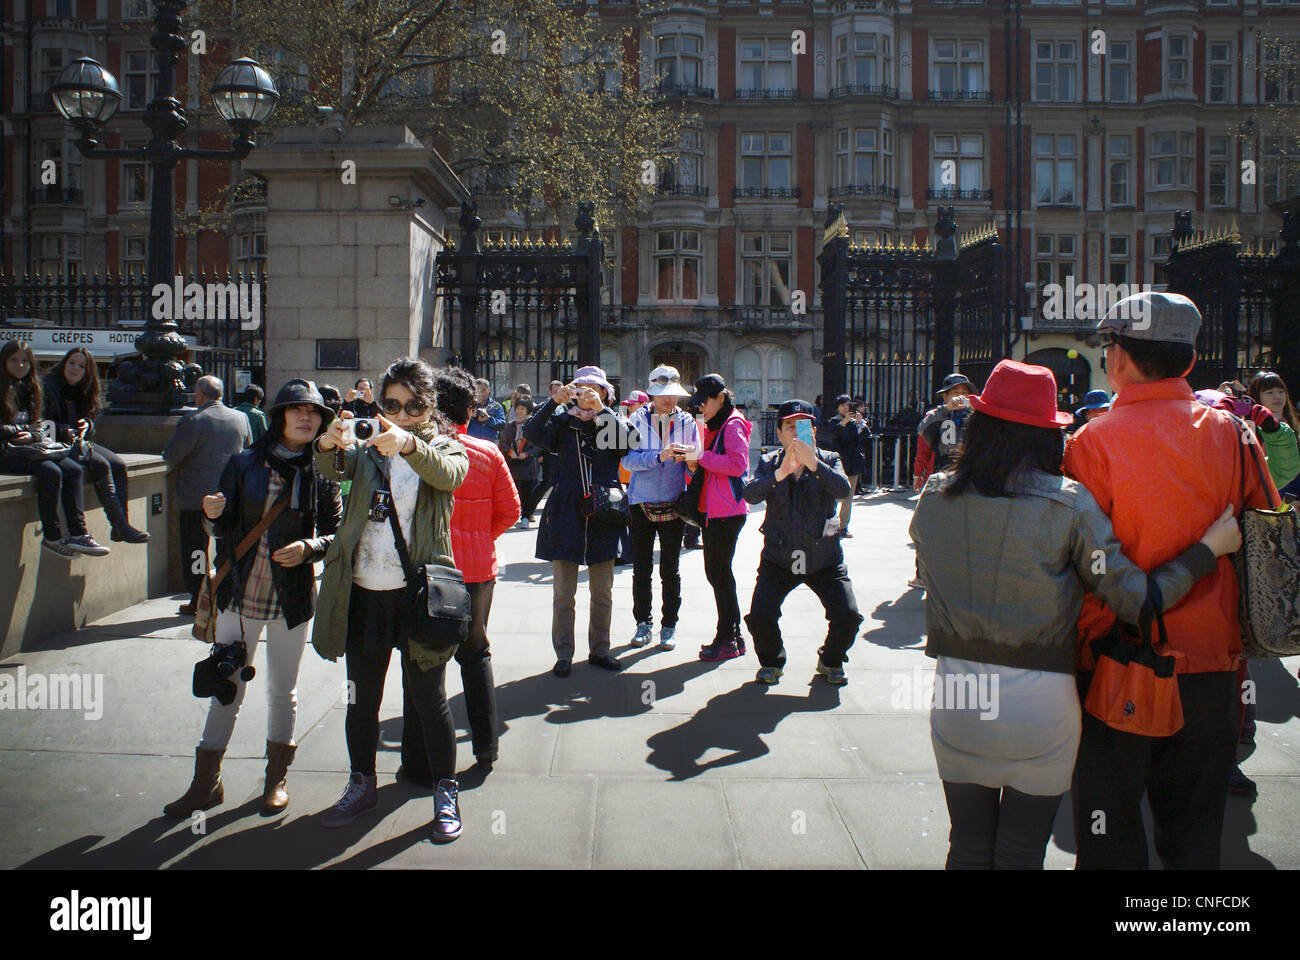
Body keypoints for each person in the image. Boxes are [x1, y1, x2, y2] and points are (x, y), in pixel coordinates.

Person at [910, 357, 1241, 869]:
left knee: (969, 845)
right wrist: (1206, 550)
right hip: (1041, 698)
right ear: (1048, 435)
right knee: (1021, 849)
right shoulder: (1069, 503)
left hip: (956, 689)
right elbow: (1138, 600)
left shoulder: (935, 496)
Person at [1064, 292, 1279, 869]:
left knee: (1109, 839)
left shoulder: (1092, 441)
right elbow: (1266, 538)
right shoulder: (1236, 435)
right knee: (1195, 838)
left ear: (1119, 359)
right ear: (1186, 360)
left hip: (1118, 665)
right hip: (1212, 666)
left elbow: (1085, 567)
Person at [163, 379, 342, 820]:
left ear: (323, 421)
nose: (306, 417)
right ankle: (206, 784)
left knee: (283, 690)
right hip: (239, 593)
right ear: (279, 416)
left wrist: (311, 549)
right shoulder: (243, 463)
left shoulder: (327, 470)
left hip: (292, 595)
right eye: (296, 409)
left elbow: (339, 535)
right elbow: (220, 533)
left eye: (314, 412)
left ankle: (276, 780)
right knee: (226, 687)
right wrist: (211, 517)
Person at [312, 357, 469, 841]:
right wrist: (328, 442)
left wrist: (408, 445)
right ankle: (362, 783)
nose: (401, 414)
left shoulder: (443, 445)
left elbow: (449, 475)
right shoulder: (366, 448)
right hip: (363, 591)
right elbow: (325, 466)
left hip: (417, 594)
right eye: (392, 405)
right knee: (362, 699)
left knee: (428, 699)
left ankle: (445, 790)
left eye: (413, 405)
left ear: (429, 406)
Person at [401, 365, 519, 775]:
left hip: (429, 573)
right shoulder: (487, 452)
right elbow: (512, 510)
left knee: (422, 664)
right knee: (476, 653)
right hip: (476, 572)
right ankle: (485, 748)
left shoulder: (417, 452)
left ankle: (417, 763)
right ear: (469, 410)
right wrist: (481, 537)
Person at [524, 365, 638, 676]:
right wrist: (551, 402)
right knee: (563, 593)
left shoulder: (612, 422)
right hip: (566, 511)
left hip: (604, 512)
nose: (587, 394)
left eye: (595, 389)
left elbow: (628, 444)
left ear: (605, 393)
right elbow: (531, 433)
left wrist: (601, 412)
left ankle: (600, 650)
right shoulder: (562, 422)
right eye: (581, 388)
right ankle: (564, 654)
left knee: (602, 592)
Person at [742, 400, 864, 685]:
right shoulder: (770, 462)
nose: (796, 434)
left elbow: (844, 489)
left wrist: (814, 465)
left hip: (823, 557)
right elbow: (750, 494)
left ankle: (831, 660)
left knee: (847, 616)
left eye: (803, 427)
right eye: (790, 427)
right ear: (780, 432)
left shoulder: (830, 459)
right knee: (760, 615)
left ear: (814, 431)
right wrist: (781, 473)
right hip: (779, 556)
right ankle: (772, 661)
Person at [0, 341, 109, 558]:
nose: (20, 365)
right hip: (5, 450)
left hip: (28, 447)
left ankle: (79, 533)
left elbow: (41, 425)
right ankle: (52, 536)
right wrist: (21, 430)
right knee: (51, 472)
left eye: (24, 361)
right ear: (4, 361)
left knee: (74, 470)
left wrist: (31, 434)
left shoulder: (32, 388)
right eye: (14, 360)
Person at [621, 365, 697, 650]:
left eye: (674, 395)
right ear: (652, 393)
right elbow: (627, 462)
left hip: (675, 502)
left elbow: (697, 459)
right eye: (664, 395)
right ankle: (643, 624)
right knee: (641, 568)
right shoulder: (634, 420)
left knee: (670, 569)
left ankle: (669, 626)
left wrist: (689, 459)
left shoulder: (689, 421)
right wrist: (658, 456)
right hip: (641, 501)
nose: (670, 400)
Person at [164, 375, 253, 614]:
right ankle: (230, 591)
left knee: (195, 550)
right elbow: (247, 453)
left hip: (196, 499)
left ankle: (198, 597)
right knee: (227, 548)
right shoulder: (241, 418)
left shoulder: (193, 420)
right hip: (230, 497)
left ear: (199, 395)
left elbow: (172, 456)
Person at [42, 346, 149, 543]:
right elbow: (42, 424)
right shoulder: (48, 386)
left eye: (81, 366)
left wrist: (87, 425)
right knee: (100, 464)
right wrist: (64, 430)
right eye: (71, 363)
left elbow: (91, 420)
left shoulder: (85, 391)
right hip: (56, 442)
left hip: (79, 440)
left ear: (87, 372)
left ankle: (120, 526)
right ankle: (120, 525)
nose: (75, 368)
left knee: (118, 464)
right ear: (64, 364)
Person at [684, 374, 752, 662]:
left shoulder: (732, 423)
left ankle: (729, 637)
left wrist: (700, 457)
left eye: (705, 402)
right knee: (718, 574)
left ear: (720, 398)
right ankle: (731, 635)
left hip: (726, 512)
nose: (702, 408)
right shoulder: (719, 423)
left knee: (720, 575)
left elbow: (738, 465)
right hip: (717, 511)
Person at [819, 394, 871, 537]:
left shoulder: (855, 423)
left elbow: (865, 436)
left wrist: (861, 423)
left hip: (852, 463)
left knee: (848, 497)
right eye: (843, 405)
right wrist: (843, 423)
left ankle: (843, 527)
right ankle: (831, 524)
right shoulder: (834, 422)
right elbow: (832, 435)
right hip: (838, 462)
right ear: (838, 407)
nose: (846, 408)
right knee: (834, 495)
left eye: (848, 405)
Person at [914, 373, 974, 490]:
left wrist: (976, 409)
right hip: (940, 471)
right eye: (955, 393)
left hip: (967, 472)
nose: (960, 397)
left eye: (964, 393)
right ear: (945, 396)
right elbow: (922, 440)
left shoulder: (974, 416)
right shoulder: (935, 416)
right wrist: (918, 472)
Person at [1248, 371, 1300, 491]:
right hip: (1273, 492)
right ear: (1257, 396)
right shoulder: (1251, 429)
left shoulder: (1292, 424)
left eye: (1281, 391)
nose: (1277, 397)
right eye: (1269, 392)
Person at [519, 380, 563, 524]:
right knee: (546, 482)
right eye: (555, 390)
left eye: (560, 390)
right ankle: (527, 512)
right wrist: (539, 453)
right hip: (547, 452)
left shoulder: (568, 407)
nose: (558, 393)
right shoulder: (543, 407)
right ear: (550, 392)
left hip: (564, 452)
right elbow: (534, 432)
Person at [500, 397, 539, 528]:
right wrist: (510, 451)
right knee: (516, 491)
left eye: (522, 409)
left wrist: (527, 453)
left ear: (528, 410)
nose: (519, 411)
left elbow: (537, 444)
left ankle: (526, 517)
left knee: (529, 491)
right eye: (517, 408)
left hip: (529, 464)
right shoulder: (510, 426)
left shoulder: (532, 424)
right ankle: (519, 514)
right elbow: (504, 441)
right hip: (514, 463)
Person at [467, 378, 506, 442]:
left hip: (490, 443)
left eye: (483, 390)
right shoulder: (470, 406)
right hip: (472, 443)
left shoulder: (496, 406)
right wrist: (470, 416)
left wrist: (488, 419)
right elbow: (461, 424)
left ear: (489, 390)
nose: (481, 393)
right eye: (478, 391)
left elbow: (502, 425)